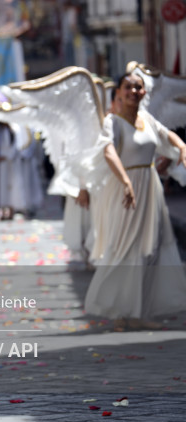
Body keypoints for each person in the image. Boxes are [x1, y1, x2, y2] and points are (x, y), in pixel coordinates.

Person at [84, 72, 186, 331]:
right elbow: (108, 151)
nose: (133, 91)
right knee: (124, 248)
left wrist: (182, 148)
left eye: (138, 87)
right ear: (118, 92)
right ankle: (120, 312)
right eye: (127, 87)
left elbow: (168, 136)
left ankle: (139, 312)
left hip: (150, 188)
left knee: (149, 250)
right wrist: (126, 182)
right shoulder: (113, 123)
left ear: (143, 92)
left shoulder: (147, 120)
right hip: (124, 191)